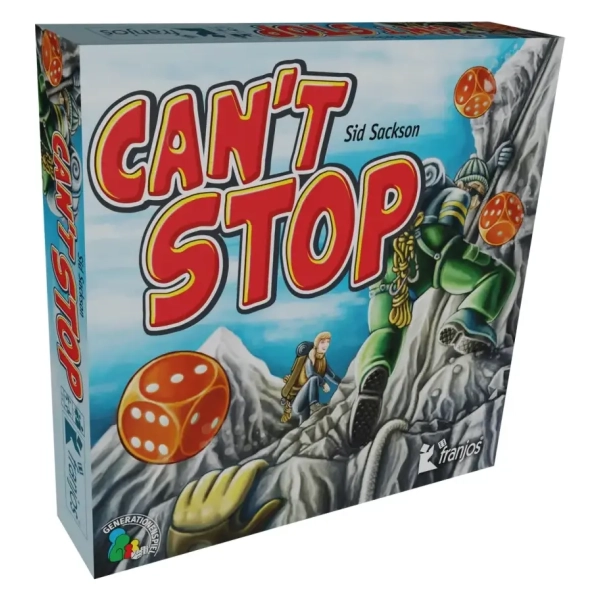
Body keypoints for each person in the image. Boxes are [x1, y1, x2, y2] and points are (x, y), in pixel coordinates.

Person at [349, 142, 516, 448]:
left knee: (385, 330)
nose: (475, 198)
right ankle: (468, 318)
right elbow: (449, 225)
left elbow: (471, 176)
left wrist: (490, 164)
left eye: (479, 193)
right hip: (435, 253)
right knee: (500, 275)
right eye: (475, 191)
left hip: (393, 269)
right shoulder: (456, 194)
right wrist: (455, 245)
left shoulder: (415, 205)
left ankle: (373, 373)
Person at [281, 332, 341, 425]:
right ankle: (314, 404)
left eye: (328, 342)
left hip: (305, 404)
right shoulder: (310, 358)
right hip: (297, 401)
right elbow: (311, 374)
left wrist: (344, 383)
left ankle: (310, 411)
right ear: (317, 344)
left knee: (304, 425)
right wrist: (323, 383)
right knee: (314, 379)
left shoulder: (322, 359)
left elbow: (332, 375)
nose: (326, 345)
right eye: (322, 342)